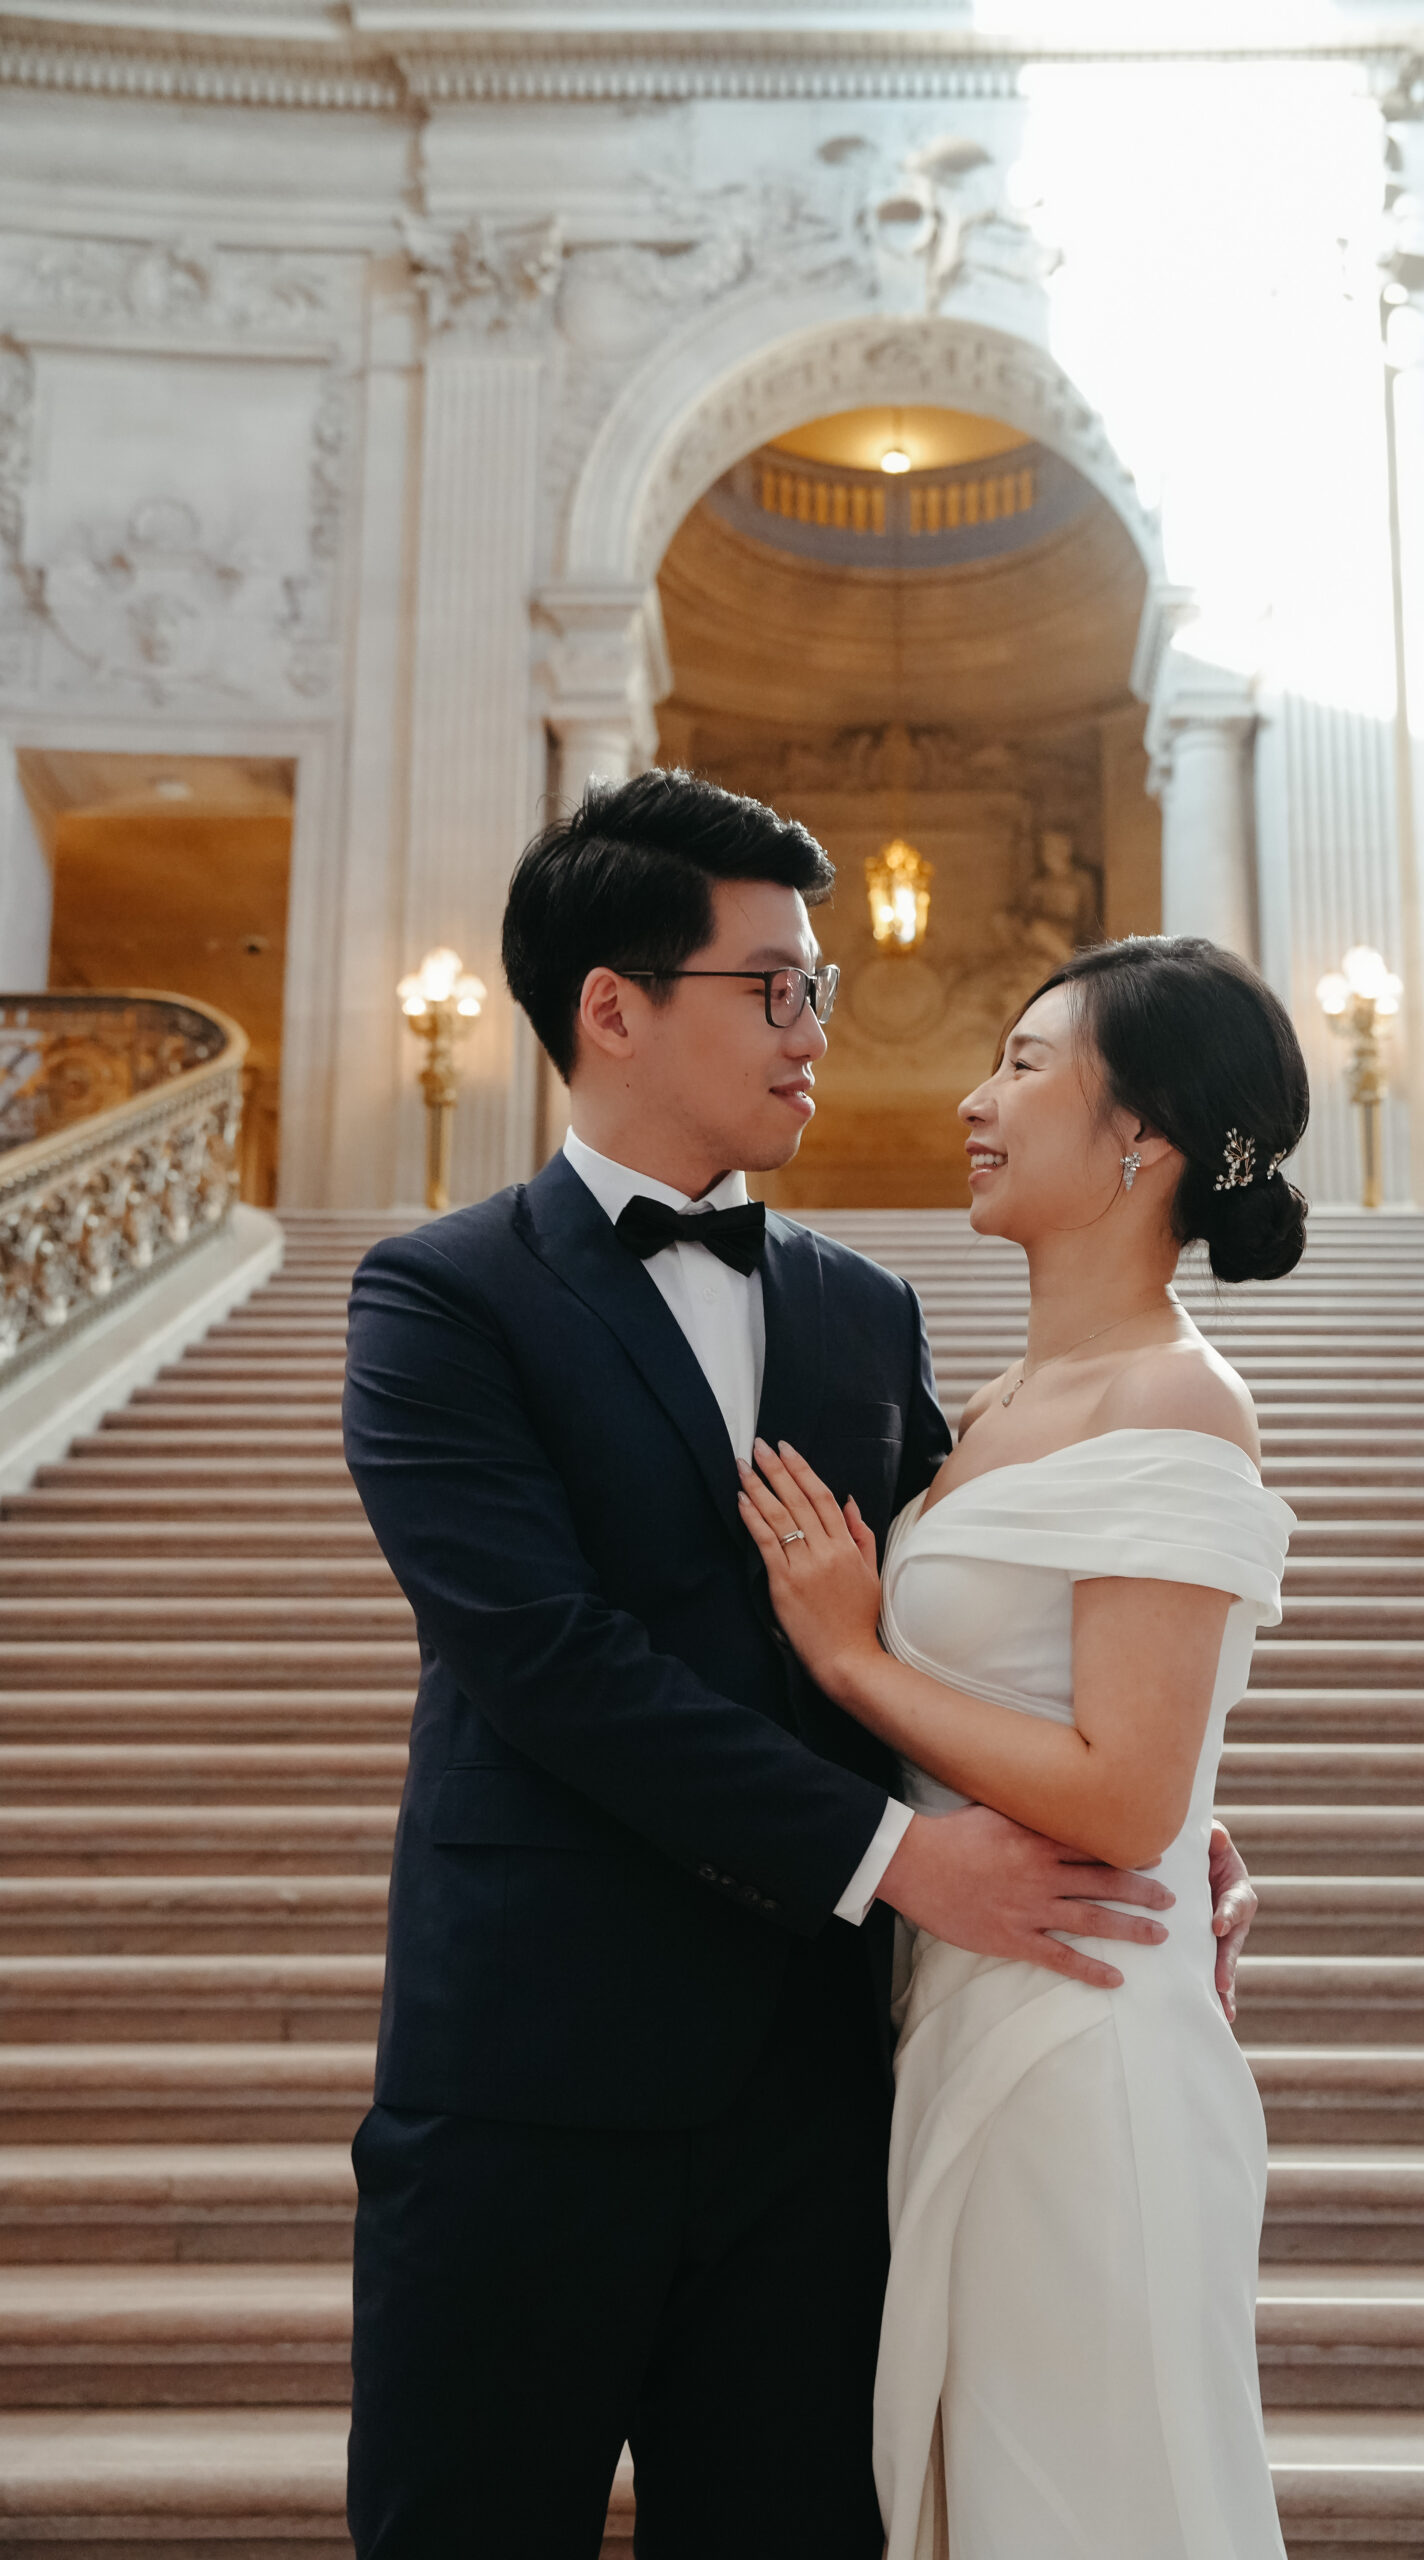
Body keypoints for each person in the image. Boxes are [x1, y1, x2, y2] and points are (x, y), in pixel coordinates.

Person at [340, 769, 1260, 2558]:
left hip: (822, 2102)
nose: (814, 1025)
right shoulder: (437, 1298)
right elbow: (549, 1660)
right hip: (536, 2081)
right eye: (771, 987)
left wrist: (1166, 1802)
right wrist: (909, 1855)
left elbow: (994, 1608)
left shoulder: (866, 1309)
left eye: (819, 985)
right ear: (611, 1006)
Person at [739, 934, 1308, 2560]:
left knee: (1081, 2496)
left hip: (1083, 2031)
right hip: (970, 1991)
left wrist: (848, 1654)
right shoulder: (988, 1398)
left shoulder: (1176, 1400)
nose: (974, 1102)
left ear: (1144, 1138)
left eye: (1027, 1064)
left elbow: (1125, 1798)